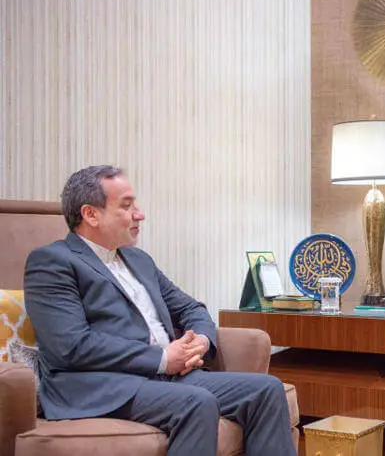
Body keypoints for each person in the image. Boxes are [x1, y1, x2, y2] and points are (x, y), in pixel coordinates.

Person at [24, 165, 296, 456]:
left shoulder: (138, 259)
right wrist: (164, 358)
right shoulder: (52, 261)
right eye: (127, 206)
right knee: (196, 402)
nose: (139, 214)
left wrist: (201, 342)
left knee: (267, 390)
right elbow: (71, 345)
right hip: (101, 385)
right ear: (91, 214)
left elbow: (191, 308)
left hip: (166, 377)